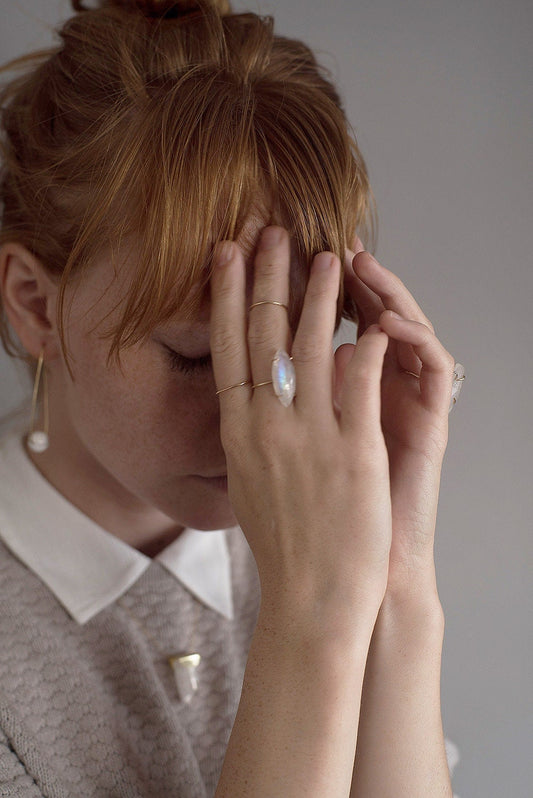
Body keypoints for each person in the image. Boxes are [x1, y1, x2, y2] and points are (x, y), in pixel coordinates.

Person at [0, 0, 464, 795]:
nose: (255, 421)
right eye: (192, 357)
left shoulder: (327, 528)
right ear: (36, 306)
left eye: (293, 352)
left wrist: (396, 577)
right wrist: (314, 622)